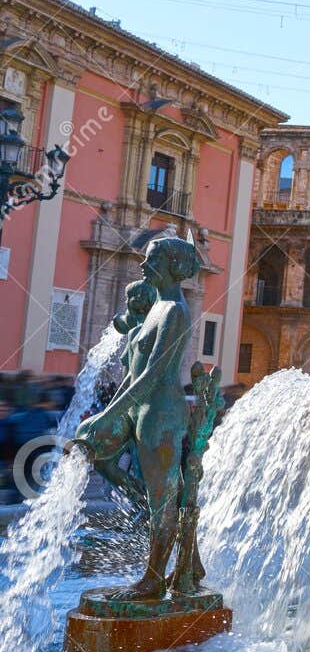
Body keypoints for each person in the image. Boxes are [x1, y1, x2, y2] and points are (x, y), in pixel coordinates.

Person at [75, 236, 203, 599]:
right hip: (138, 408)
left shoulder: (176, 310)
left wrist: (112, 412)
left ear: (170, 266)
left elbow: (153, 375)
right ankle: (148, 509)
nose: (143, 267)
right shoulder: (157, 308)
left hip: (160, 413)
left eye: (150, 261)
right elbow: (132, 373)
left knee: (165, 498)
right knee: (95, 448)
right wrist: (105, 415)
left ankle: (153, 579)